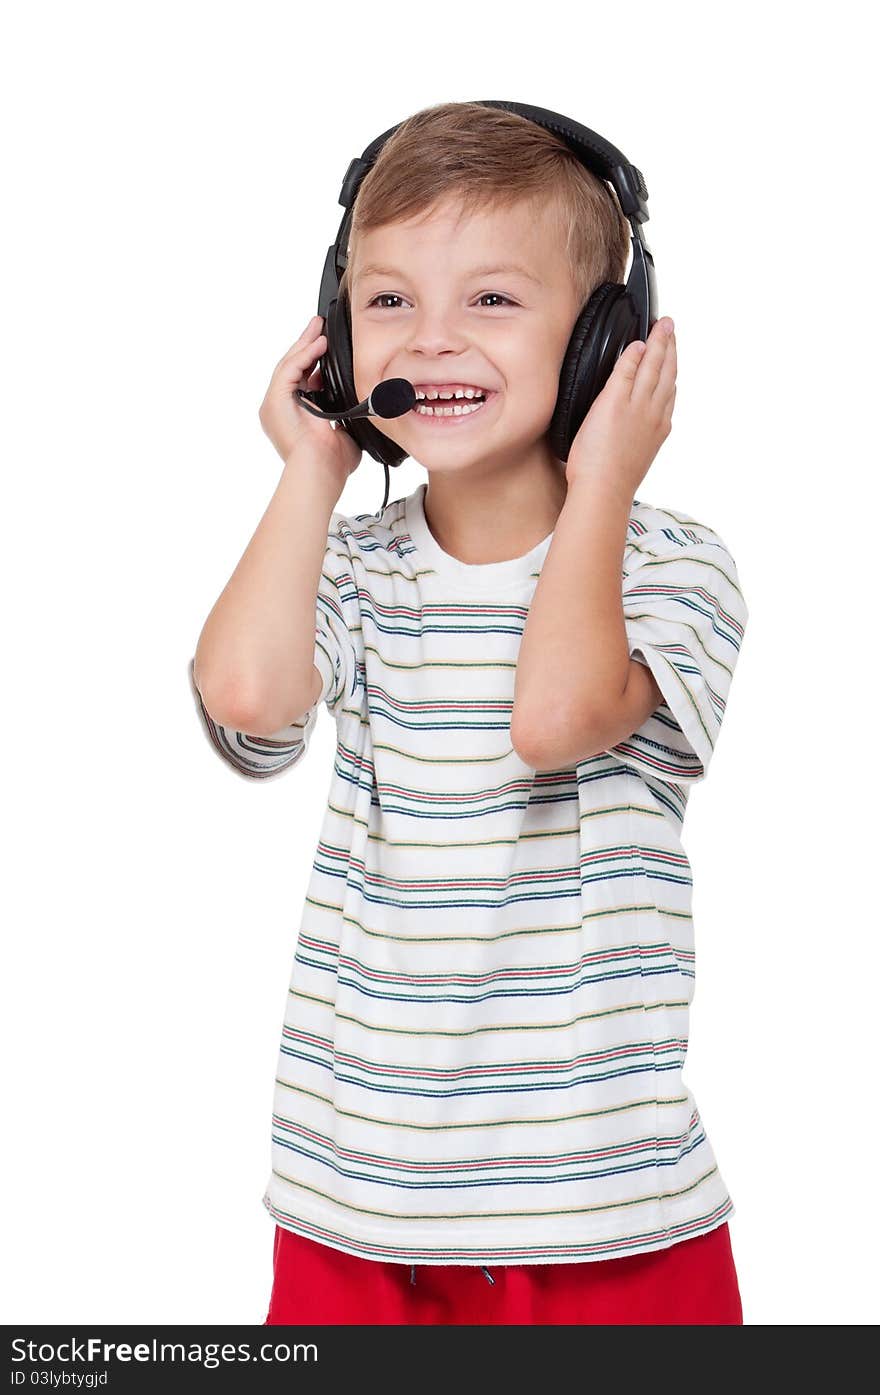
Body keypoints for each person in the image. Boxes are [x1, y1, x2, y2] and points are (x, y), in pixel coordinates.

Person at [189, 101, 748, 1325]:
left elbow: (555, 716)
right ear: (336, 339)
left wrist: (602, 476)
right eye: (387, 303)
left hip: (611, 1216)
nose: (431, 341)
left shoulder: (670, 567)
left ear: (604, 342)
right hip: (359, 1205)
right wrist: (310, 467)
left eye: (491, 301)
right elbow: (246, 702)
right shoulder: (342, 568)